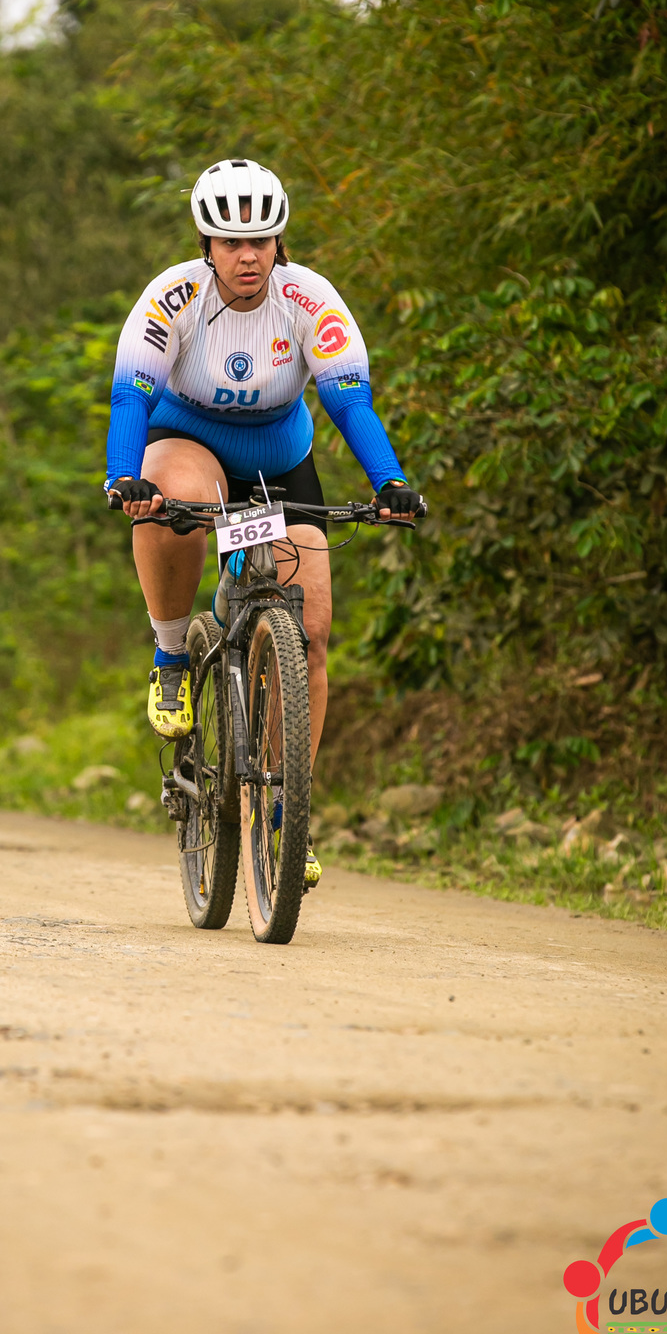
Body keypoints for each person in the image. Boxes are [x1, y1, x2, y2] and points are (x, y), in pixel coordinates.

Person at [104, 158, 421, 888]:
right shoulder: (173, 298)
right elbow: (131, 396)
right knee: (171, 498)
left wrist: (391, 481)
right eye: (231, 243)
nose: (247, 256)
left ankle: (284, 814)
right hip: (189, 443)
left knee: (311, 631)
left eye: (261, 241)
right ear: (206, 245)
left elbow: (349, 401)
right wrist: (126, 477)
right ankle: (172, 657)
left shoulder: (308, 299)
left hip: (279, 463)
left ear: (280, 242)